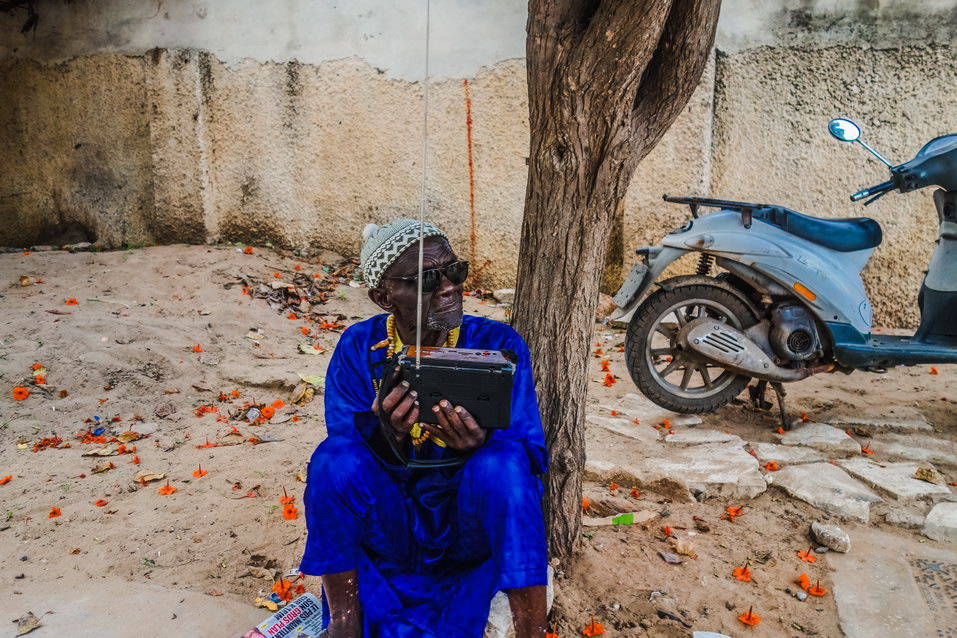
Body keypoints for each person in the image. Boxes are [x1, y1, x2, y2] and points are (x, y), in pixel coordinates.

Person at [299, 219, 549, 638]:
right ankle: (345, 623)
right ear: (384, 296)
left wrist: (478, 444)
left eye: (454, 271)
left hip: (465, 520)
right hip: (392, 519)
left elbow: (528, 447)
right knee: (331, 462)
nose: (448, 286)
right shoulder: (359, 347)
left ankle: (531, 632)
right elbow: (345, 444)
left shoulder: (497, 344)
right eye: (427, 278)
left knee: (504, 465)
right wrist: (387, 435)